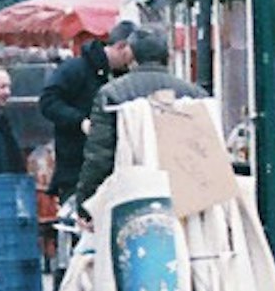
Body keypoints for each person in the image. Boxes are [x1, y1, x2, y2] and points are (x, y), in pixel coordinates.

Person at [70, 45, 208, 207]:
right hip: (184, 195)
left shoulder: (111, 94)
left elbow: (100, 155)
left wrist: (86, 200)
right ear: (168, 57)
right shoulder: (194, 94)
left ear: (131, 56)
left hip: (130, 194)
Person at [34, 27, 127, 202]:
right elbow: (48, 102)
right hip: (76, 166)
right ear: (121, 46)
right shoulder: (75, 68)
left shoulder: (122, 76)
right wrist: (80, 121)